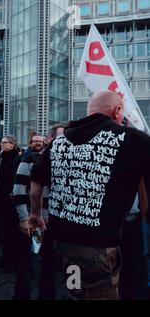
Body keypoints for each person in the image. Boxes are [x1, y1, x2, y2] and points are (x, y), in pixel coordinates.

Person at [30, 90, 150, 300]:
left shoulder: (59, 142)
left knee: (74, 291)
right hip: (99, 251)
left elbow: (36, 182)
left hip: (65, 246)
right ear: (118, 111)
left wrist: (35, 213)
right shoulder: (131, 139)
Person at [12, 135, 46, 299]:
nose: (39, 143)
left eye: (41, 141)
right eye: (35, 141)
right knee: (30, 264)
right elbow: (18, 191)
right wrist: (24, 218)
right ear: (31, 144)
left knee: (49, 267)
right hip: (36, 226)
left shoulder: (56, 161)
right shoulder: (27, 161)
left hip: (52, 225)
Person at [0, 135, 20, 272]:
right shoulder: (2, 156)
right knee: (5, 228)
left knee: (10, 230)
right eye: (1, 142)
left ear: (12, 144)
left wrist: (11, 192)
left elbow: (15, 177)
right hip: (1, 197)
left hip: (10, 198)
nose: (2, 144)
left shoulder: (16, 158)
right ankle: (6, 257)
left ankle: (11, 259)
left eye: (5, 142)